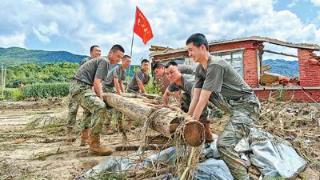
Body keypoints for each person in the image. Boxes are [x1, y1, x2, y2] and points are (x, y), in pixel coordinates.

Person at [186, 33, 260, 179]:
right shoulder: (200, 69)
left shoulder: (215, 65)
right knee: (199, 92)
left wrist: (192, 122)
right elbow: (196, 97)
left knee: (223, 144)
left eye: (190, 50)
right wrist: (187, 118)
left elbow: (203, 100)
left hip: (247, 106)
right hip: (231, 105)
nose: (189, 54)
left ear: (202, 47)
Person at [67, 44, 124, 156]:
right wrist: (101, 99)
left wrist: (98, 95)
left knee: (89, 109)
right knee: (99, 107)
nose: (119, 60)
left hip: (80, 87)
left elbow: (96, 84)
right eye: (118, 56)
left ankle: (85, 138)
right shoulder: (105, 61)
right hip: (80, 87)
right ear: (110, 53)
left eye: (121, 58)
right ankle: (94, 144)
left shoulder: (101, 60)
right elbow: (97, 83)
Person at [162, 61, 213, 143]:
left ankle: (207, 135)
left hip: (206, 96)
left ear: (179, 70)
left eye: (172, 72)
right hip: (194, 97)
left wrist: (189, 117)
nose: (169, 76)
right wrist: (165, 106)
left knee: (201, 117)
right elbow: (165, 94)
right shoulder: (174, 83)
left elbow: (198, 100)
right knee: (184, 98)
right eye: (167, 74)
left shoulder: (189, 82)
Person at [67, 45, 102, 143]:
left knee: (88, 111)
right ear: (91, 52)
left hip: (87, 89)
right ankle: (69, 133)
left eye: (100, 51)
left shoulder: (98, 64)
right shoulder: (87, 60)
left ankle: (84, 137)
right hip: (79, 88)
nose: (99, 53)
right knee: (73, 110)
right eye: (96, 51)